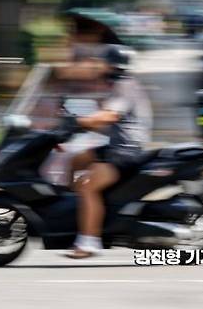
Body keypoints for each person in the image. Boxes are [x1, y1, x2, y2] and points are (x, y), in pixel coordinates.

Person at [60, 45, 152, 258]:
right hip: (117, 146)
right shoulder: (120, 85)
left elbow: (109, 116)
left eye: (101, 62)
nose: (97, 66)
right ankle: (72, 214)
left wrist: (80, 122)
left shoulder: (124, 86)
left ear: (112, 65)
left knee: (87, 186)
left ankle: (88, 241)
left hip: (125, 151)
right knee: (76, 160)